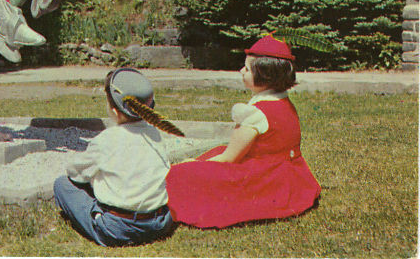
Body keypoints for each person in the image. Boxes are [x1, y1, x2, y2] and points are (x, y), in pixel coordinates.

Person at [165, 35, 321, 228]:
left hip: (263, 178)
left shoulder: (256, 113)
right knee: (214, 151)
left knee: (181, 174)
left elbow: (229, 158)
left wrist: (193, 164)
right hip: (290, 175)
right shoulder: (284, 103)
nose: (241, 71)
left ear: (264, 75)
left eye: (247, 69)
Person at [53, 68, 184, 247]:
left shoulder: (106, 139)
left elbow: (75, 173)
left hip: (118, 228)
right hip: (159, 222)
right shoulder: (155, 134)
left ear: (114, 111)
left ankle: (99, 217)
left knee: (62, 184)